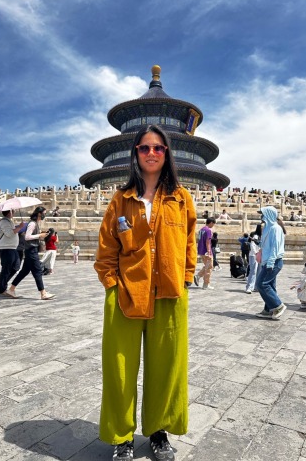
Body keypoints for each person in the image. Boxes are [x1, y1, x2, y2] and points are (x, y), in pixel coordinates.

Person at [94, 125, 197, 461]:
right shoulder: (120, 200)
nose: (151, 153)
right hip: (125, 293)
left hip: (169, 294)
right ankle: (121, 436)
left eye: (158, 148)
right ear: (135, 153)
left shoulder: (181, 198)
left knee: (167, 367)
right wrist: (111, 284)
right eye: (144, 148)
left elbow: (190, 242)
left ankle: (158, 431)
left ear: (167, 154)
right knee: (119, 368)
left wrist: (185, 277)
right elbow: (106, 249)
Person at [6, 207, 55, 300]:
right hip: (31, 251)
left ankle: (11, 289)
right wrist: (40, 235)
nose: (45, 214)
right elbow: (27, 237)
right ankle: (43, 293)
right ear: (39, 213)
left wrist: (41, 234)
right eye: (44, 213)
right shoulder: (32, 223)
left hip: (31, 250)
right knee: (37, 271)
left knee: (24, 272)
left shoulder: (35, 223)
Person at [255, 206, 286, 319]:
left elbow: (275, 247)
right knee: (270, 286)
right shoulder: (267, 227)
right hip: (267, 260)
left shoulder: (276, 228)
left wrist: (270, 262)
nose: (261, 216)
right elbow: (266, 245)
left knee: (262, 284)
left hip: (273, 261)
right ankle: (268, 309)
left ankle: (278, 306)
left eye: (262, 214)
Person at [0, 210, 25, 297]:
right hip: (6, 248)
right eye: (13, 211)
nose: (14, 213)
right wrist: (20, 227)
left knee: (16, 267)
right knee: (6, 269)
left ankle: (3, 283)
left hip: (12, 248)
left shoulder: (9, 221)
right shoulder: (4, 222)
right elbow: (9, 233)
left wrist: (19, 229)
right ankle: (2, 289)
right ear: (9, 213)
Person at [194, 217, 216, 289]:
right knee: (209, 267)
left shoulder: (201, 230)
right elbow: (208, 242)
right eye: (213, 224)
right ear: (211, 223)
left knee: (207, 266)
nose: (213, 226)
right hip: (206, 251)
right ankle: (205, 284)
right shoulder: (208, 230)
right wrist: (209, 252)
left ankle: (199, 276)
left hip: (201, 250)